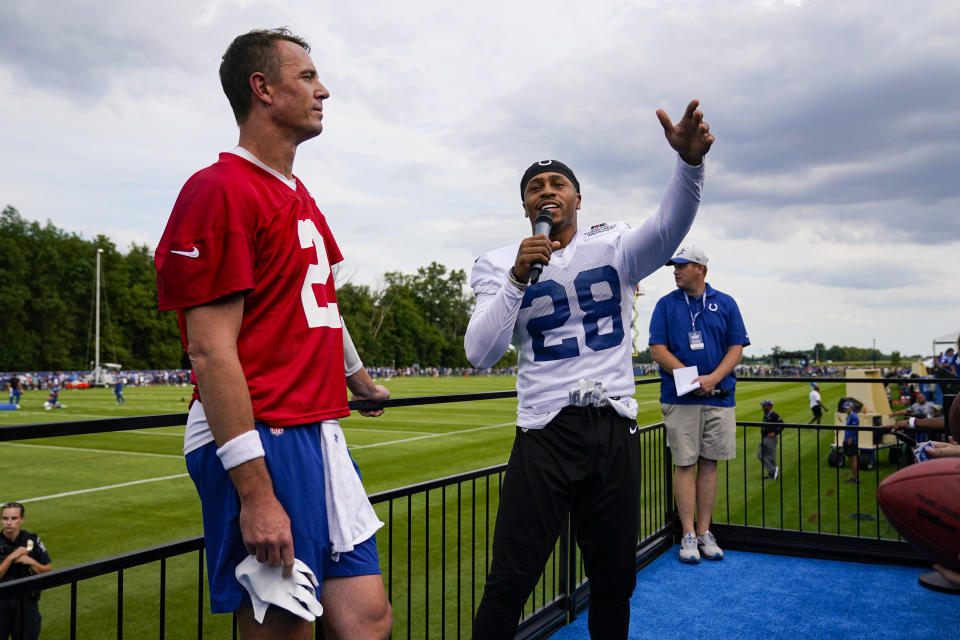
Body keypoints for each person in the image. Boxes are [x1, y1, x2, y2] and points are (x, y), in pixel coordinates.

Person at [155, 28, 391, 640]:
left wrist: (356, 380)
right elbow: (209, 349)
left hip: (316, 426)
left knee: (368, 622)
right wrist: (256, 493)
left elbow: (319, 304)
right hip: (262, 430)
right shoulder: (218, 189)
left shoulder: (298, 193)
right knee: (284, 629)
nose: (324, 90)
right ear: (262, 88)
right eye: (307, 77)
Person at [465, 100, 714, 639]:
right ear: (524, 204)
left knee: (613, 579)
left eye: (558, 183)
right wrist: (516, 278)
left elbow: (668, 228)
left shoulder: (613, 243)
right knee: (510, 579)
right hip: (543, 431)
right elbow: (480, 352)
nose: (547, 191)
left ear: (578, 197)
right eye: (536, 186)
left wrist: (689, 167)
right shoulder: (500, 260)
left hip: (611, 426)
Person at [649, 245, 749, 563]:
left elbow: (736, 348)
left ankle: (705, 532)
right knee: (684, 464)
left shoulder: (726, 303)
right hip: (681, 400)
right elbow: (658, 350)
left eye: (682, 265)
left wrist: (713, 379)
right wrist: (695, 380)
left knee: (709, 464)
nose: (675, 270)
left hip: (720, 397)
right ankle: (688, 534)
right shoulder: (666, 305)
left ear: (700, 269)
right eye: (674, 266)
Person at [0, 502, 52, 640]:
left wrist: (31, 562)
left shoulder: (32, 540)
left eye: (14, 518)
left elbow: (47, 570)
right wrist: (11, 557)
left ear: (22, 519)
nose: (9, 523)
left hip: (26, 604)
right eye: (5, 518)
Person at [757, 399, 783, 480]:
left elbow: (782, 424)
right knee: (760, 454)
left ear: (768, 406)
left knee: (771, 456)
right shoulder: (766, 413)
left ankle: (772, 474)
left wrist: (775, 433)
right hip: (764, 438)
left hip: (770, 439)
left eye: (764, 406)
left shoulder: (774, 414)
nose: (762, 407)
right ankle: (773, 470)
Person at [842, 401, 860, 483]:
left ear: (851, 408)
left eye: (847, 408)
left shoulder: (854, 417)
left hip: (852, 442)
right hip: (847, 441)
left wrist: (850, 440)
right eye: (845, 408)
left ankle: (855, 478)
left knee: (853, 460)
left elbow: (854, 429)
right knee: (851, 460)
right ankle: (854, 477)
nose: (845, 409)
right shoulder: (848, 416)